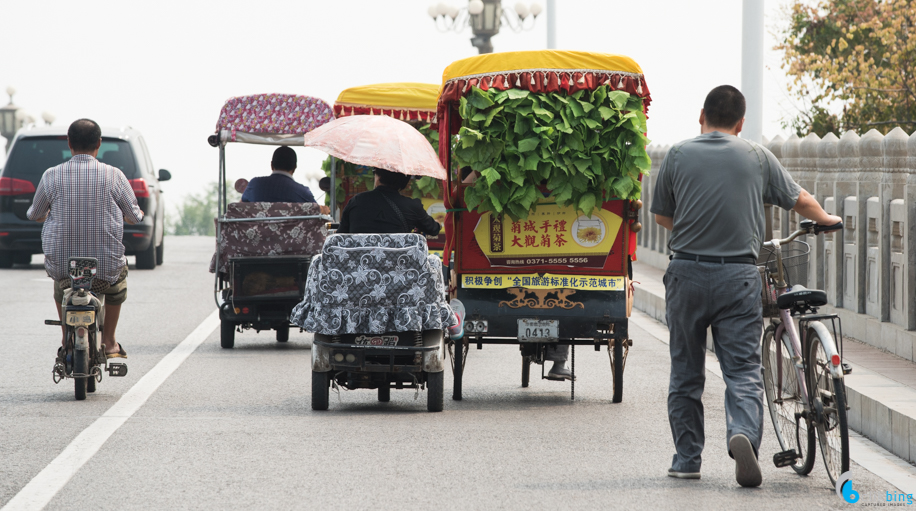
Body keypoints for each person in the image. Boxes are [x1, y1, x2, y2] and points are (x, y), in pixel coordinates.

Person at [650, 85, 840, 488]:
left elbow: (663, 218)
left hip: (686, 273)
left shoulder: (678, 154)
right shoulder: (756, 155)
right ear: (740, 123)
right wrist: (825, 218)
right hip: (738, 277)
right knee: (743, 371)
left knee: (686, 371)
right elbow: (800, 199)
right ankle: (743, 435)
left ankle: (687, 459)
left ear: (701, 115)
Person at [27, 118, 145, 359]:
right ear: (99, 143)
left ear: (69, 143)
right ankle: (110, 342)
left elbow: (35, 214)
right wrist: (137, 214)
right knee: (116, 288)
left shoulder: (51, 176)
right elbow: (134, 217)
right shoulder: (114, 176)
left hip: (65, 268)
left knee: (61, 289)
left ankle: (65, 338)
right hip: (104, 270)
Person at [337, 167, 441, 236]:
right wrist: (438, 224)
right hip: (397, 267)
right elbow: (433, 230)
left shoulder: (356, 201)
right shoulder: (413, 206)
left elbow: (340, 236)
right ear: (403, 182)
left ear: (379, 177)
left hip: (359, 267)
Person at [241, 147, 317, 204]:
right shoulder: (303, 192)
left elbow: (240, 208)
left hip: (259, 226)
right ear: (294, 168)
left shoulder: (255, 184)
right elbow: (316, 212)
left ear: (271, 165)